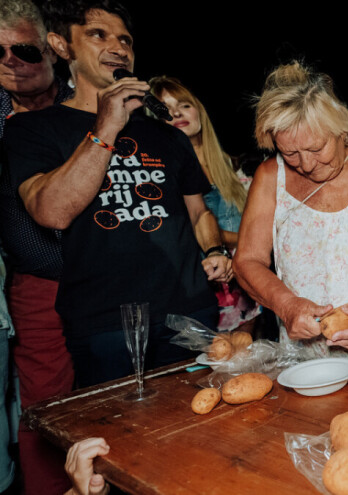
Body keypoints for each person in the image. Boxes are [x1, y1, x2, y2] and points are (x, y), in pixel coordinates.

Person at [3, 0, 232, 388]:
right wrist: (107, 125)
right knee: (122, 438)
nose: (118, 47)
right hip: (105, 321)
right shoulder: (32, 129)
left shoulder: (168, 135)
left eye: (125, 39)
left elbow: (198, 213)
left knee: (197, 427)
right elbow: (51, 211)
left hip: (190, 312)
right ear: (61, 46)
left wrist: (212, 250)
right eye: (98, 35)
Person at [234, 62, 348, 379]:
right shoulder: (269, 177)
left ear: (340, 130)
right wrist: (287, 305)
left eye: (316, 147)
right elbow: (247, 261)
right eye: (289, 153)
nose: (305, 164)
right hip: (306, 360)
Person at [0, 0, 75, 492]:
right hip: (37, 286)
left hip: (111, 280)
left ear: (54, 48)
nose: (10, 60)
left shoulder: (89, 102)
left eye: (24, 49)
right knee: (46, 410)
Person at [148, 76, 260, 333]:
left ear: (198, 110)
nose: (176, 112)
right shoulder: (163, 177)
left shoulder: (235, 166)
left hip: (246, 289)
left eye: (184, 104)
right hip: (202, 292)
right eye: (165, 109)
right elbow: (192, 231)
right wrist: (251, 241)